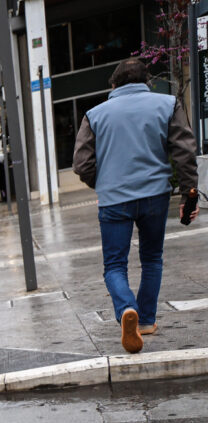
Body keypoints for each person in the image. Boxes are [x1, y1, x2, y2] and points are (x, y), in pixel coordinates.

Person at [74, 58, 199, 354]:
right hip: (155, 196)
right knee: (152, 259)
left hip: (114, 200)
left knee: (114, 265)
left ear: (114, 84)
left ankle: (126, 309)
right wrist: (189, 194)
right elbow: (184, 152)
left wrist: (102, 182)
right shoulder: (167, 104)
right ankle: (145, 321)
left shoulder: (94, 114)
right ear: (147, 82)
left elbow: (81, 163)